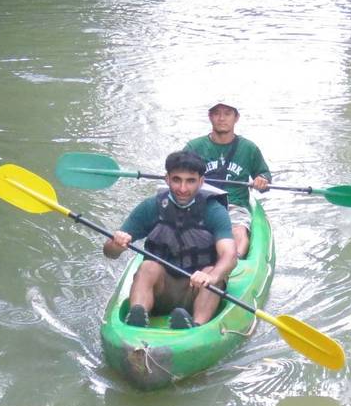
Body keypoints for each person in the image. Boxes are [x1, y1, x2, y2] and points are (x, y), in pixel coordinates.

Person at [103, 150, 236, 329]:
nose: (183, 188)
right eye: (176, 180)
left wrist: (210, 277)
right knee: (148, 266)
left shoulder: (214, 210)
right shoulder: (150, 207)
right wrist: (116, 244)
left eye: (190, 181)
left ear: (201, 181)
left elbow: (230, 256)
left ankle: (196, 325)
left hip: (195, 291)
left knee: (214, 272)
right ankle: (137, 317)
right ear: (167, 179)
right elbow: (109, 253)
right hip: (161, 291)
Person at [184, 102, 271, 258]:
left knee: (238, 231)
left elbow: (265, 175)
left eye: (227, 113)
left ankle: (232, 260)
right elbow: (178, 177)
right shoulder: (194, 147)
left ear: (236, 117)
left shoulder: (249, 148)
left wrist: (261, 180)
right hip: (200, 204)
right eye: (217, 113)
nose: (222, 118)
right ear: (210, 117)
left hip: (234, 206)